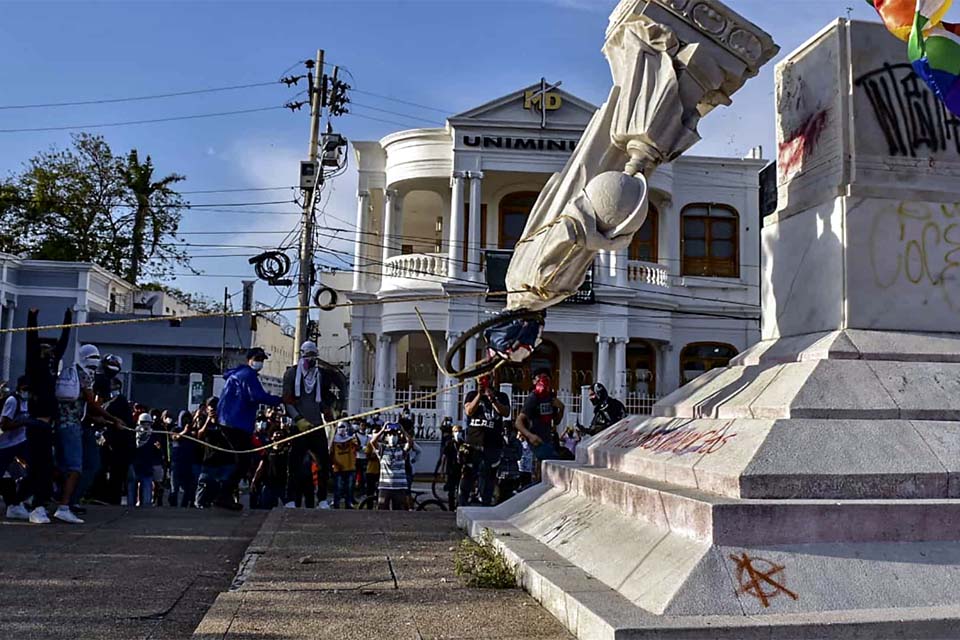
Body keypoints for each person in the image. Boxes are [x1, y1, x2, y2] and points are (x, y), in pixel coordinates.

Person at [57, 343, 124, 523]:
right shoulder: (84, 376)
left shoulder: (75, 373)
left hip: (70, 424)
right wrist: (113, 419)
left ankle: (66, 502)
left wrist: (102, 419)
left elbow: (86, 407)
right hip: (73, 426)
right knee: (76, 467)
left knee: (71, 466)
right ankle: (65, 505)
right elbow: (92, 404)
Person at [217, 347, 282, 510]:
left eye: (262, 359)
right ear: (250, 359)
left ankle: (225, 494)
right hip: (236, 423)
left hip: (230, 421)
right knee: (243, 461)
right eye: (258, 358)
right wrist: (279, 400)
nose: (260, 362)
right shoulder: (247, 375)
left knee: (239, 461)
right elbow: (257, 396)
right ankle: (223, 495)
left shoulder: (237, 374)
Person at [23, 308, 71, 524]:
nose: (49, 350)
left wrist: (68, 319)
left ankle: (17, 501)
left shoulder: (52, 366)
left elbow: (63, 343)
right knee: (42, 468)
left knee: (39, 468)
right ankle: (37, 507)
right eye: (45, 348)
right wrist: (32, 318)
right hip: (36, 423)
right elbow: (31, 340)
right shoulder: (34, 365)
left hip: (47, 425)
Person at [282, 341, 335, 509]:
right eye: (308, 355)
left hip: (317, 425)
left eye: (314, 356)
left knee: (323, 464)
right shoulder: (291, 374)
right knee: (294, 465)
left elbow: (321, 400)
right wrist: (298, 418)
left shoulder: (319, 375)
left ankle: (322, 499)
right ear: (302, 355)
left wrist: (327, 412)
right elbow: (288, 401)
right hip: (299, 426)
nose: (311, 359)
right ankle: (290, 499)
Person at [460, 374, 511, 507]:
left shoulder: (502, 396)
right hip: (473, 443)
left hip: (492, 444)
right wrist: (479, 395)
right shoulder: (472, 395)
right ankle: (462, 504)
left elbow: (505, 412)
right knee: (468, 475)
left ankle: (485, 505)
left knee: (488, 477)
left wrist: (492, 398)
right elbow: (469, 411)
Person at [515, 369, 564, 482]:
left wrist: (561, 409)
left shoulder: (550, 397)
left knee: (548, 474)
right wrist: (530, 435)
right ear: (534, 381)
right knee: (554, 464)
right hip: (536, 441)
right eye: (539, 377)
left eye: (545, 377)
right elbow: (518, 422)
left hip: (548, 439)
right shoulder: (533, 398)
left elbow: (556, 421)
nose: (543, 379)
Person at [0, 376, 34, 520]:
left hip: (20, 442)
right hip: (5, 444)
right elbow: (4, 424)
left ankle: (21, 499)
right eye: (25, 389)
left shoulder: (27, 401)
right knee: (3, 475)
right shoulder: (12, 401)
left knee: (36, 468)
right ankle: (12, 504)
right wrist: (24, 422)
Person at [195, 397, 235, 509]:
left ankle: (221, 502)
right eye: (210, 406)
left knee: (224, 484)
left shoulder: (226, 419)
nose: (213, 408)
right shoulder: (203, 420)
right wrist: (208, 421)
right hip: (210, 459)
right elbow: (199, 436)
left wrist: (218, 421)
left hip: (225, 459)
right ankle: (200, 504)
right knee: (204, 483)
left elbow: (231, 436)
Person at [370, 422, 412, 511]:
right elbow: (372, 441)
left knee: (399, 512)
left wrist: (402, 430)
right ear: (386, 437)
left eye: (394, 435)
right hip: (385, 487)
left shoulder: (401, 449)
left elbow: (410, 442)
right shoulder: (383, 449)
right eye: (390, 435)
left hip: (400, 487)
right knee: (382, 511)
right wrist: (382, 429)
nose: (392, 437)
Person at [169, 410, 199, 507]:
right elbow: (174, 437)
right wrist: (184, 432)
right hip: (176, 463)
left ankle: (184, 505)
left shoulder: (192, 431)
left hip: (188, 463)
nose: (186, 420)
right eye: (184, 418)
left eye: (187, 418)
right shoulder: (175, 429)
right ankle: (173, 505)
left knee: (188, 488)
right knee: (175, 488)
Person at [128, 413, 158, 508]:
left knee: (146, 494)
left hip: (147, 467)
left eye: (148, 423)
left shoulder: (153, 436)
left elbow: (157, 451)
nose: (145, 426)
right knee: (131, 493)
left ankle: (145, 509)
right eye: (143, 423)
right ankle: (130, 508)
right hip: (134, 466)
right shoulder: (133, 434)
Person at [329, 424, 359, 509]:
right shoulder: (333, 441)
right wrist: (334, 463)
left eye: (343, 427)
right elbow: (330, 453)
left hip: (350, 467)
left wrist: (353, 435)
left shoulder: (351, 439)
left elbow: (357, 446)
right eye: (340, 428)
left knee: (349, 488)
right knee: (338, 488)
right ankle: (336, 505)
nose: (342, 429)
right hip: (338, 468)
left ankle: (348, 504)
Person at [496, 426, 524, 504]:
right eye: (504, 429)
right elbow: (497, 454)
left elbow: (519, 455)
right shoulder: (498, 441)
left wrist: (507, 454)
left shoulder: (516, 442)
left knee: (510, 496)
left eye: (508, 430)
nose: (506, 432)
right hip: (501, 471)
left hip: (513, 471)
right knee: (501, 494)